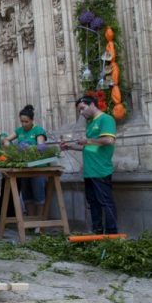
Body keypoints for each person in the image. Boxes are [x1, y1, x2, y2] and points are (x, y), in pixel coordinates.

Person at [60, 96, 118, 234]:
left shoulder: (106, 119)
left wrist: (87, 140)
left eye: (82, 109)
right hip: (89, 171)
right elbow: (90, 147)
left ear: (92, 104)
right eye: (79, 110)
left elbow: (109, 140)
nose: (81, 113)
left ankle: (112, 234)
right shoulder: (91, 123)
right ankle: (97, 232)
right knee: (93, 203)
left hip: (101, 169)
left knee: (106, 202)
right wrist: (70, 147)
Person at [3, 105, 47, 216]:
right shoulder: (19, 131)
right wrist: (11, 147)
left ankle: (39, 223)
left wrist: (31, 148)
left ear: (32, 120)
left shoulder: (38, 130)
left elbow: (41, 147)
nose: (24, 124)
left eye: (26, 122)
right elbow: (6, 140)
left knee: (38, 195)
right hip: (24, 167)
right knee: (27, 195)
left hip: (37, 168)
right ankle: (31, 220)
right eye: (22, 121)